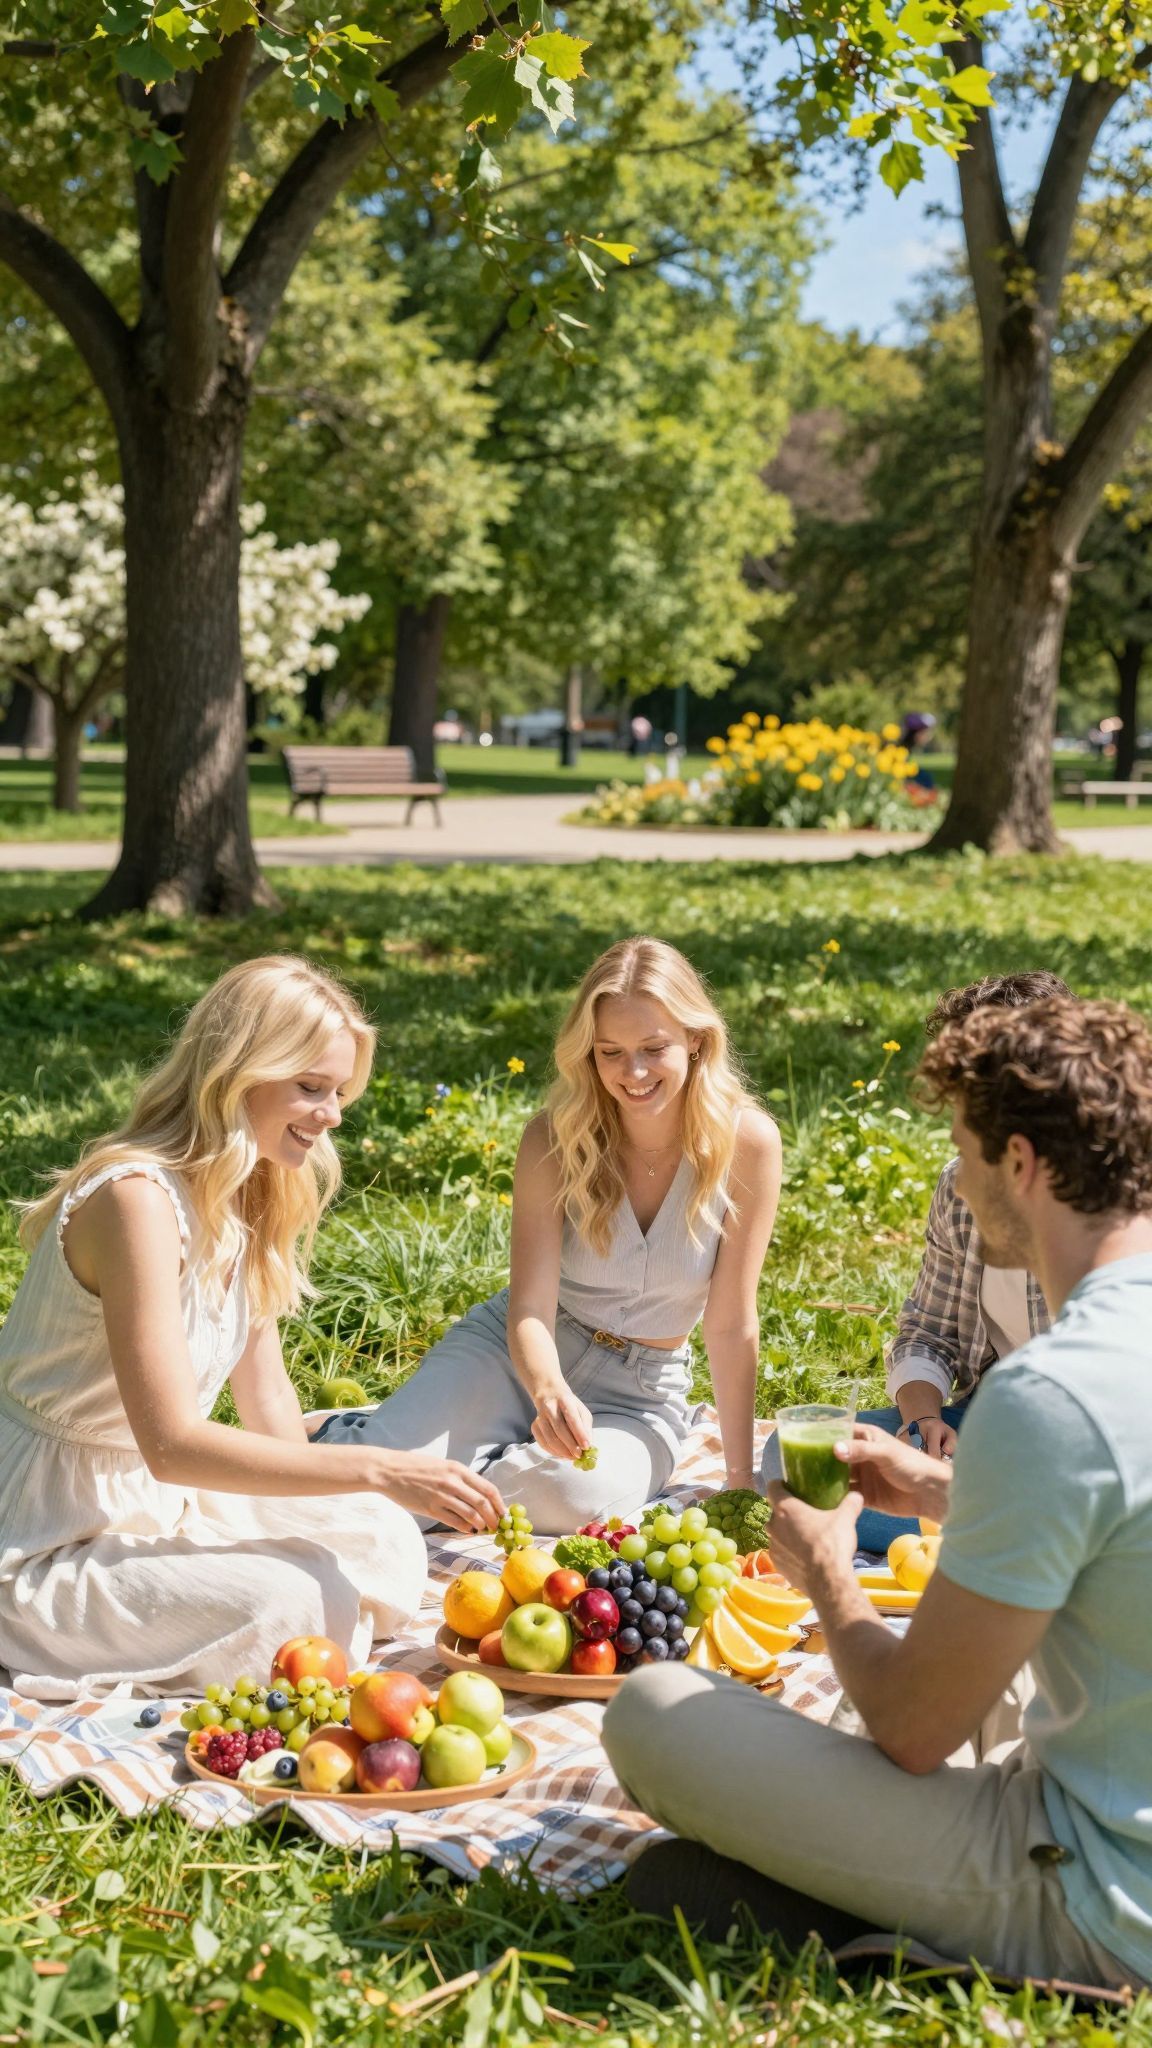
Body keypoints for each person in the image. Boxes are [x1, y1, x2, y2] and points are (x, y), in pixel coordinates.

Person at [605, 996, 1152, 1988]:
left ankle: (852, 1911)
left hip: (1105, 1896)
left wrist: (823, 1572)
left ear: (1020, 1164)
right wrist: (946, 1488)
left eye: (964, 1147)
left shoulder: (1053, 1390)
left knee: (651, 1709)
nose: (957, 1174)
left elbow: (911, 1727)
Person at [0, 956, 502, 1702]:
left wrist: (347, 1502)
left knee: (383, 1536)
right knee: (293, 1602)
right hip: (47, 1532)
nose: (331, 1114)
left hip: (158, 1504)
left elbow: (269, 1411)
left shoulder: (252, 1193)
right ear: (236, 1074)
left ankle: (249, 1623)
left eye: (337, 1092)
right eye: (309, 1087)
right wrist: (380, 1468)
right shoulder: (136, 1200)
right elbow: (171, 1444)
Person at [316, 938, 782, 1531]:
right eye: (610, 1051)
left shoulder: (748, 1144)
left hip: (638, 1396)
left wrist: (738, 1478)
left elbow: (731, 1321)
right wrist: (547, 1390)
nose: (632, 1073)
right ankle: (378, 1439)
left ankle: (422, 1446)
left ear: (696, 1039)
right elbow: (530, 1306)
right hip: (518, 1357)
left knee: (564, 1493)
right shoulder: (553, 1138)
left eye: (653, 1048)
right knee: (369, 1498)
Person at [849, 970, 1071, 1553]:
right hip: (993, 1427)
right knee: (804, 1461)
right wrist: (923, 1423)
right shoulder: (962, 1185)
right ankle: (984, 1517)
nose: (952, 1121)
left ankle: (980, 1516)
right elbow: (928, 1329)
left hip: (1088, 1448)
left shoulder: (1102, 1202)